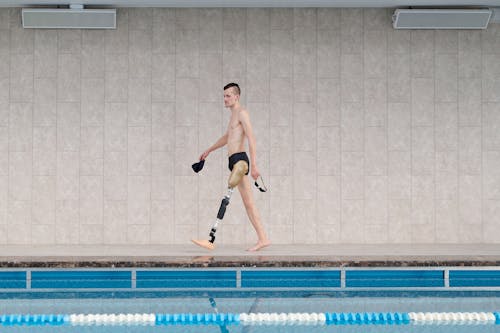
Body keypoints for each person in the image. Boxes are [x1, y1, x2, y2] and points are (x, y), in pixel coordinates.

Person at [194, 83, 270, 252]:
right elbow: (228, 137)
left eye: (228, 96)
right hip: (233, 160)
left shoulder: (242, 113)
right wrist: (209, 150)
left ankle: (211, 237)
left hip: (240, 162)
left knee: (230, 198)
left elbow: (252, 138)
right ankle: (263, 238)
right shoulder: (233, 115)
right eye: (224, 96)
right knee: (248, 203)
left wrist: (255, 165)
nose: (225, 99)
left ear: (237, 97)